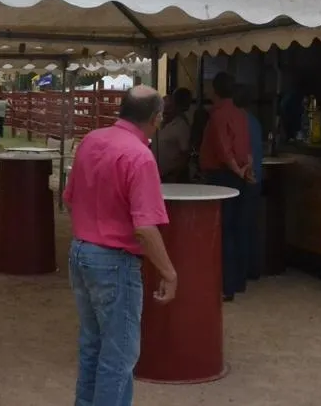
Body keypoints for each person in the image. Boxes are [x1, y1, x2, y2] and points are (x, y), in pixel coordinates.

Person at [64, 84, 177, 406]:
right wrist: (169, 273)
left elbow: (69, 198)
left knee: (92, 346)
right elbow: (144, 227)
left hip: (82, 252)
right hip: (114, 261)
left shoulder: (91, 141)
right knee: (119, 355)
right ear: (156, 118)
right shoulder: (140, 156)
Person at [199, 72, 251, 301]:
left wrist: (235, 169)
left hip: (222, 175)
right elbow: (246, 147)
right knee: (237, 227)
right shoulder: (241, 114)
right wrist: (245, 170)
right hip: (238, 175)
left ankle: (225, 285)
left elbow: (222, 147)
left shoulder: (218, 116)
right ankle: (238, 281)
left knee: (223, 230)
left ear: (215, 91)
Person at [233, 85, 264, 280]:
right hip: (257, 178)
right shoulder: (255, 122)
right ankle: (253, 269)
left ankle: (240, 272)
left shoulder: (239, 122)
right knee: (250, 226)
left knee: (240, 227)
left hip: (246, 177)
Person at [157, 87, 193, 183]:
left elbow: (185, 154)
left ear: (175, 108)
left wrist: (175, 175)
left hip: (173, 177)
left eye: (169, 107)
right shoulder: (156, 124)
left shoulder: (181, 125)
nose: (166, 111)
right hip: (157, 175)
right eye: (164, 107)